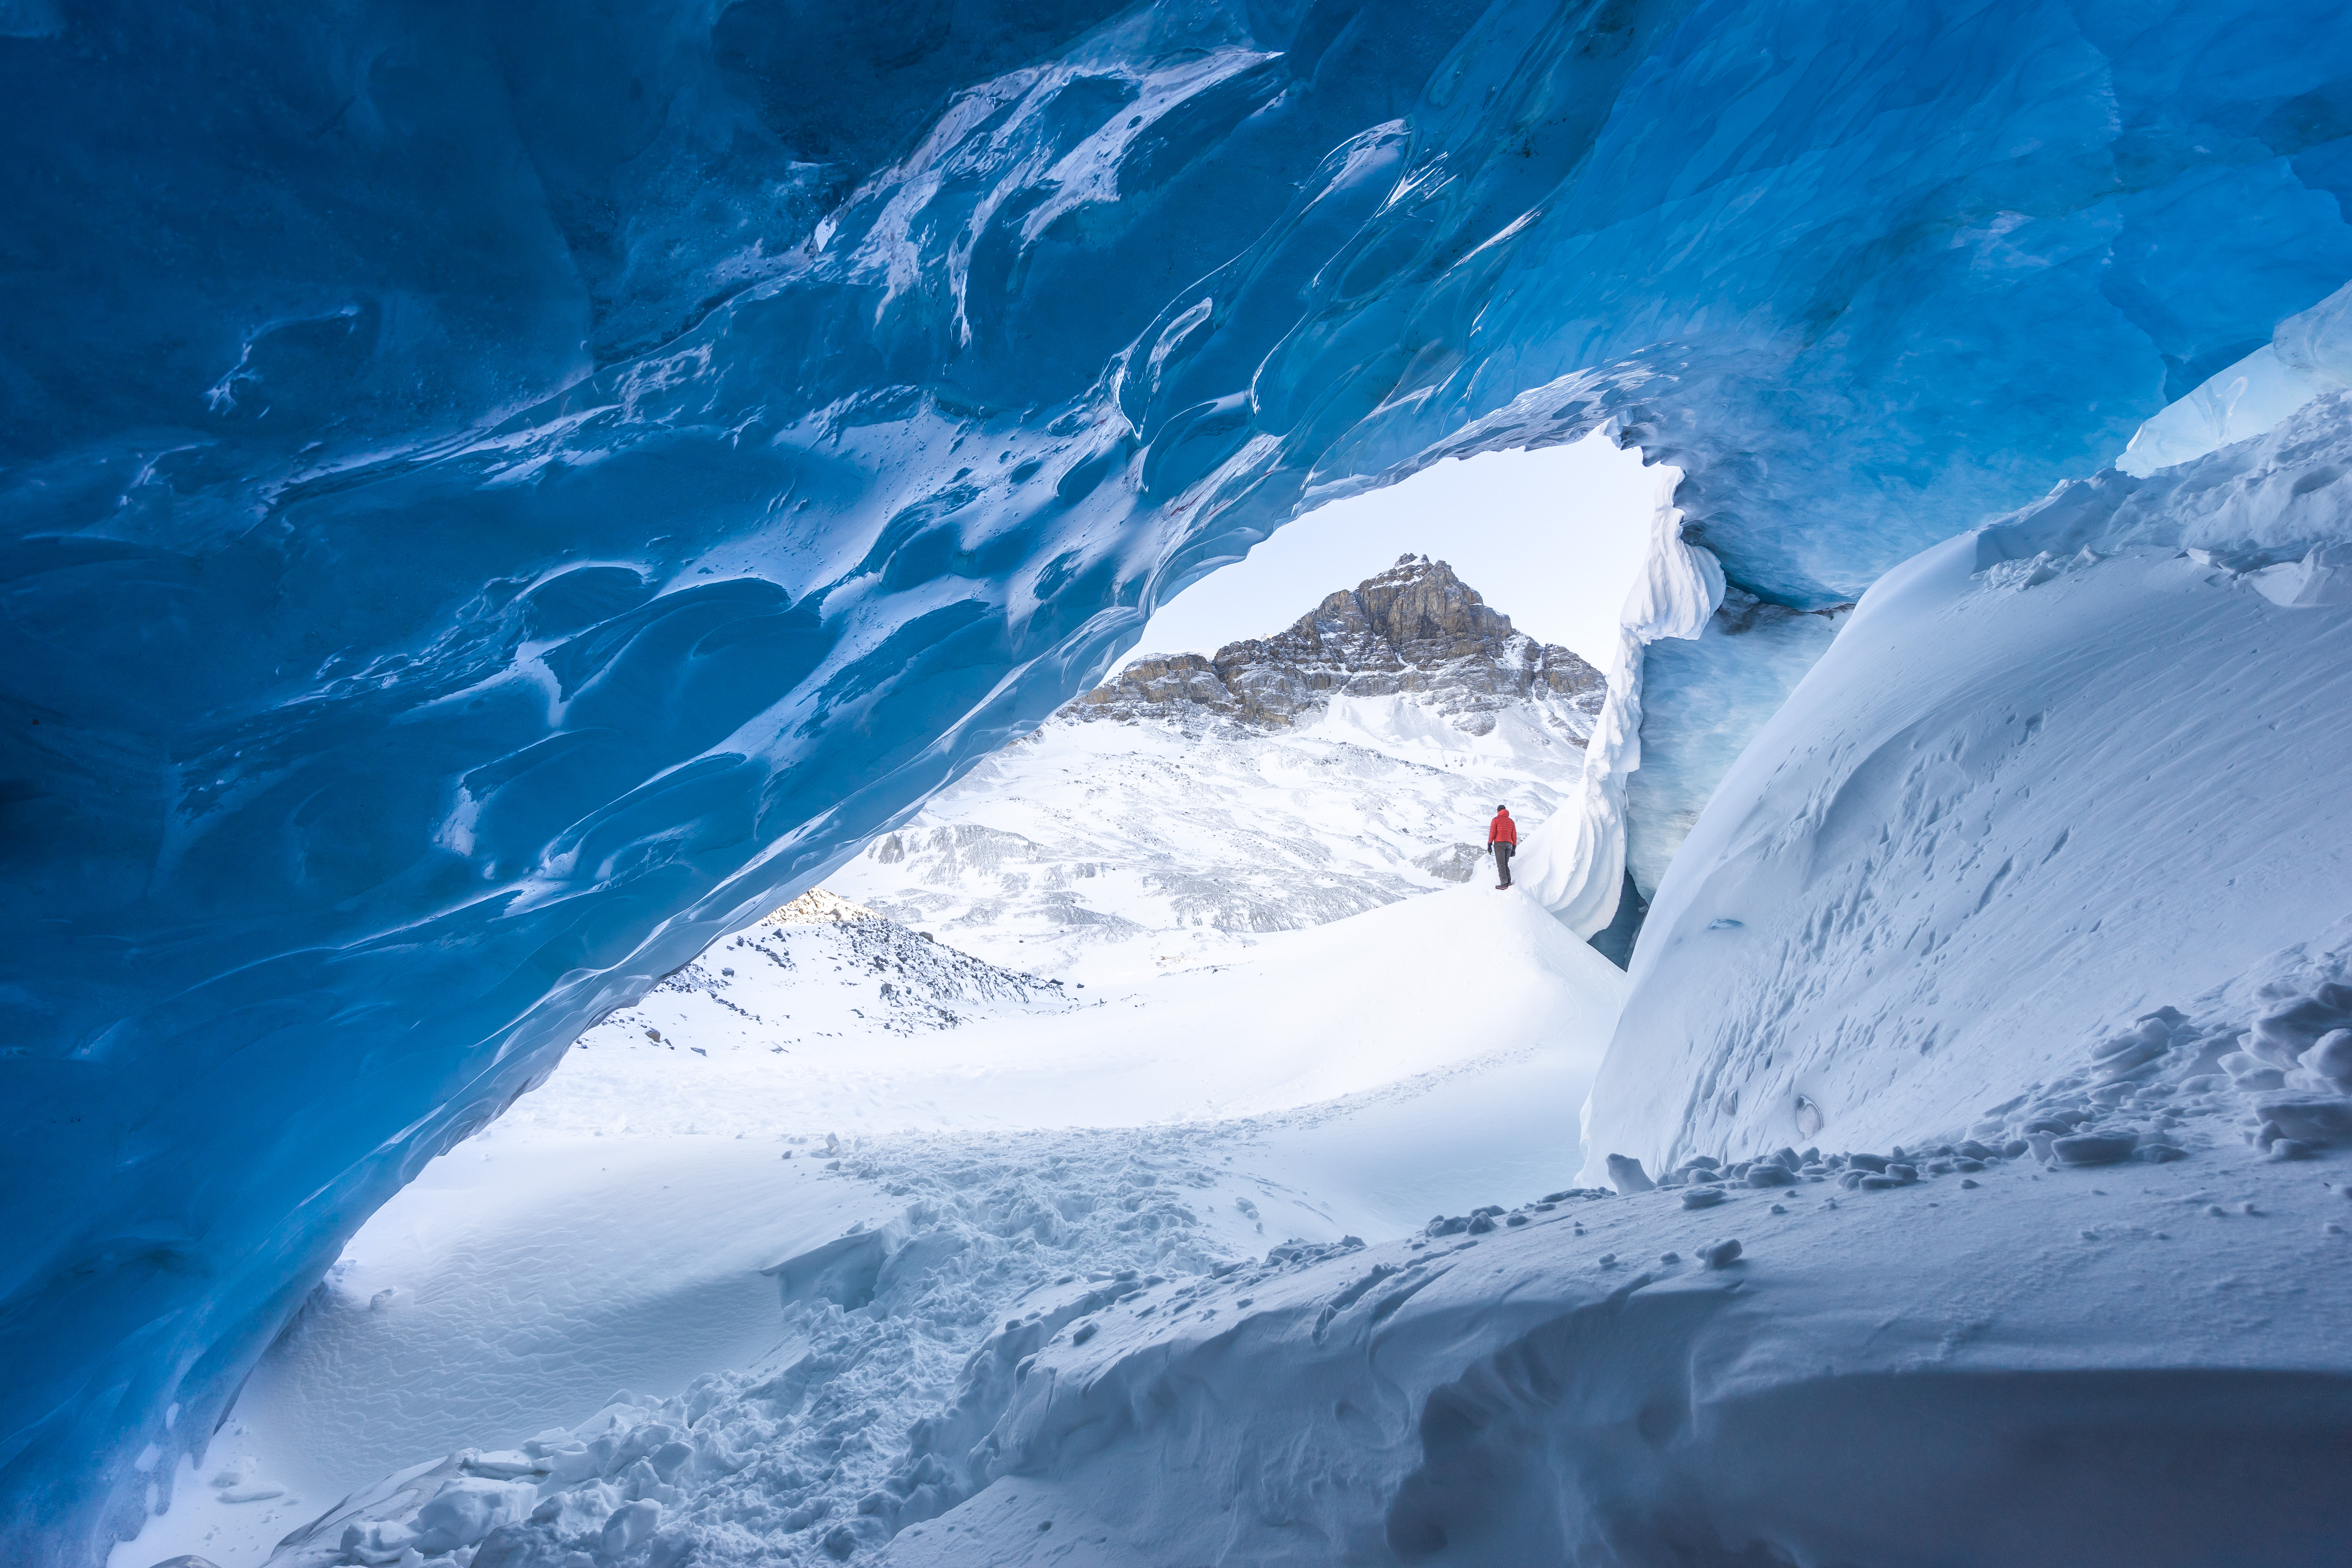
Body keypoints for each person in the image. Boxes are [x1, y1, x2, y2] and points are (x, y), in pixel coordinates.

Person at [1487, 805, 1516, 890]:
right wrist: (1514, 847)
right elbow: (1514, 835)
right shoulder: (1511, 821)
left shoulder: (1496, 820)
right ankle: (1509, 881)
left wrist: (1490, 844)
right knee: (1505, 864)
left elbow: (1493, 833)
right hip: (1509, 845)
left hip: (1500, 844)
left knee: (1501, 864)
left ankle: (1504, 883)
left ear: (1498, 811)